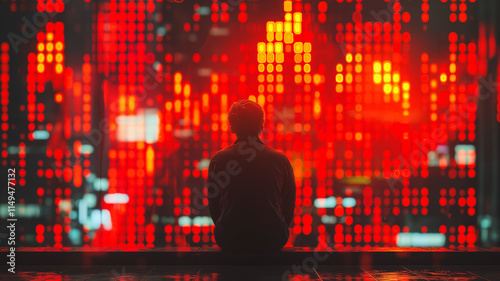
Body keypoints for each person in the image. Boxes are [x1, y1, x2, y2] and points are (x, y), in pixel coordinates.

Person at [207, 99, 296, 252]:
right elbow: (288, 204)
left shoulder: (219, 160)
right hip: (273, 238)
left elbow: (214, 204)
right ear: (261, 124)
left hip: (229, 238)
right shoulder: (280, 160)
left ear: (232, 126)